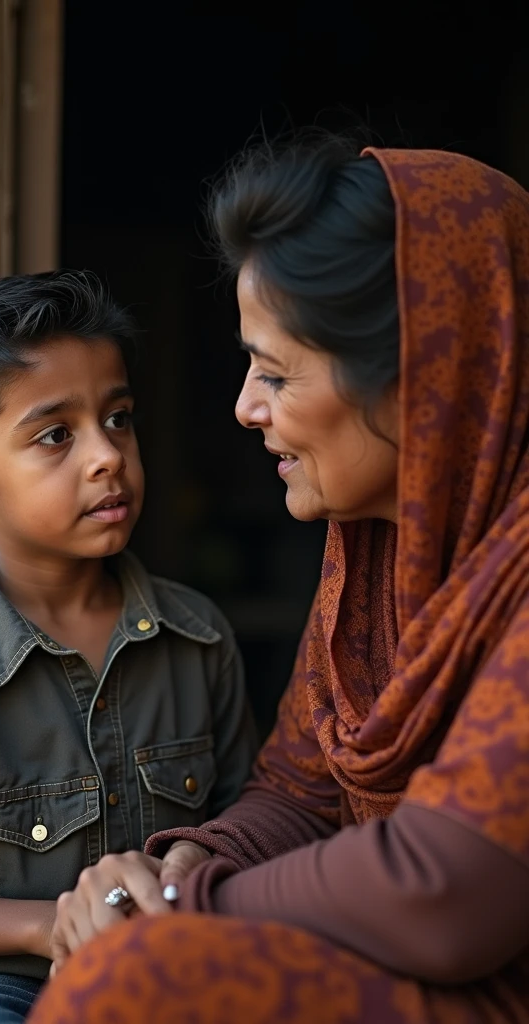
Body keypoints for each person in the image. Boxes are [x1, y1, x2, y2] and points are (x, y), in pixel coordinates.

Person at [29, 144, 529, 1023]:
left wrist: (193, 906)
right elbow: (300, 793)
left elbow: (448, 889)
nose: (244, 407)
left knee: (132, 982)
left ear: (426, 376)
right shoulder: (376, 565)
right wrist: (176, 866)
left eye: (277, 371)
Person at [0, 271, 257, 1024]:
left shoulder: (197, 638)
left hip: (171, 965)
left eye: (119, 418)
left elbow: (246, 821)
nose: (106, 455)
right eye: (56, 434)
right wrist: (52, 924)